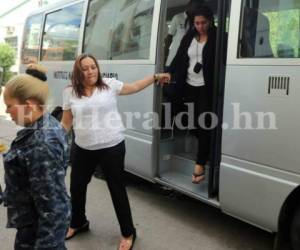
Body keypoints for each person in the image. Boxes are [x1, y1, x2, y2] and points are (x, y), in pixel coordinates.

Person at [61, 53, 169, 250]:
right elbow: (66, 122)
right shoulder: (70, 92)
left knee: (116, 189)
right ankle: (78, 223)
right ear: (78, 71)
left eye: (92, 67)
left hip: (111, 147)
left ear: (97, 67)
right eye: (84, 68)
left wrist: (154, 77)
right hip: (82, 148)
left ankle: (128, 232)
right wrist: (54, 140)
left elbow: (134, 86)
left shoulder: (109, 85)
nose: (90, 71)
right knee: (76, 187)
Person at [2, 64, 71, 250]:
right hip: (31, 225)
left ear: (29, 104)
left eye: (9, 106)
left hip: (38, 234)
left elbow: (54, 209)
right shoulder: (42, 125)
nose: (7, 111)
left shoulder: (41, 144)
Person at [166, 6, 217, 184]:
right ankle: (206, 150)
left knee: (205, 124)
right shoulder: (189, 36)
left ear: (210, 21)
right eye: (197, 23)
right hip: (188, 85)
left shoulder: (218, 37)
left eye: (203, 23)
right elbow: (179, 57)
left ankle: (200, 163)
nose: (200, 26)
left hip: (206, 87)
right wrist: (169, 72)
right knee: (190, 121)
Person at [164, 0, 204, 66]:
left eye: (199, 7)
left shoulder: (197, 22)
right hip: (173, 58)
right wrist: (165, 55)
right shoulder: (177, 18)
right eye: (196, 7)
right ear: (189, 6)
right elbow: (169, 37)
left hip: (188, 61)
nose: (197, 9)